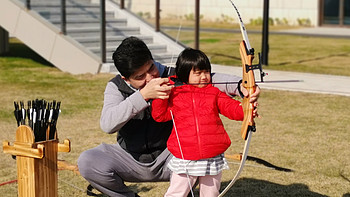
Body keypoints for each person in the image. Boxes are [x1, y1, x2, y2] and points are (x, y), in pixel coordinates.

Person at [77, 36, 260, 197]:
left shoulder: (173, 76)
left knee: (195, 155)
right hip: (129, 156)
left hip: (171, 155)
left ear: (152, 59)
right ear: (126, 78)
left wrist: (241, 86)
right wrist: (143, 96)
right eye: (140, 76)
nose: (150, 77)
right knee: (88, 161)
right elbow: (108, 124)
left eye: (151, 68)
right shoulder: (116, 86)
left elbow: (206, 77)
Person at [152, 48, 247, 197]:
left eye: (206, 72)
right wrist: (161, 96)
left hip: (212, 155)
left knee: (211, 193)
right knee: (177, 192)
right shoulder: (175, 93)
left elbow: (233, 109)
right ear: (184, 73)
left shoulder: (213, 92)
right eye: (198, 73)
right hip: (185, 155)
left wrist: (247, 108)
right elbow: (160, 116)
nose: (204, 77)